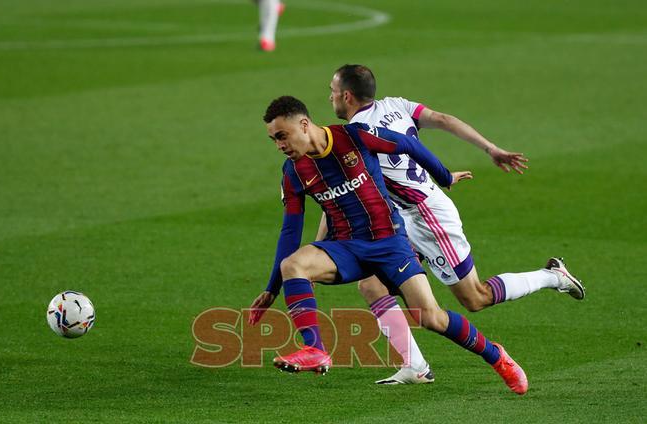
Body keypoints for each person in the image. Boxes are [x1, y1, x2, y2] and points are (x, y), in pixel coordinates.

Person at [248, 95, 529, 395]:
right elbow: (290, 231)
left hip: (389, 242)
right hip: (347, 247)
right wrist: (272, 288)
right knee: (293, 265)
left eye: (282, 136)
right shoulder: (293, 173)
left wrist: (443, 176)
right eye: (273, 140)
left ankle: (496, 356)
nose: (279, 145)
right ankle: (314, 349)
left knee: (431, 317)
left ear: (303, 125)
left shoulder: (353, 137)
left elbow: (407, 145)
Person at [324, 64, 585, 384]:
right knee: (371, 285)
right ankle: (415, 367)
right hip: (400, 216)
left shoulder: (355, 137)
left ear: (347, 96)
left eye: (333, 92)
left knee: (475, 297)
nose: (330, 98)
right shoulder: (396, 105)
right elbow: (443, 120)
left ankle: (551, 276)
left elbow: (345, 191)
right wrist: (490, 149)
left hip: (427, 216)